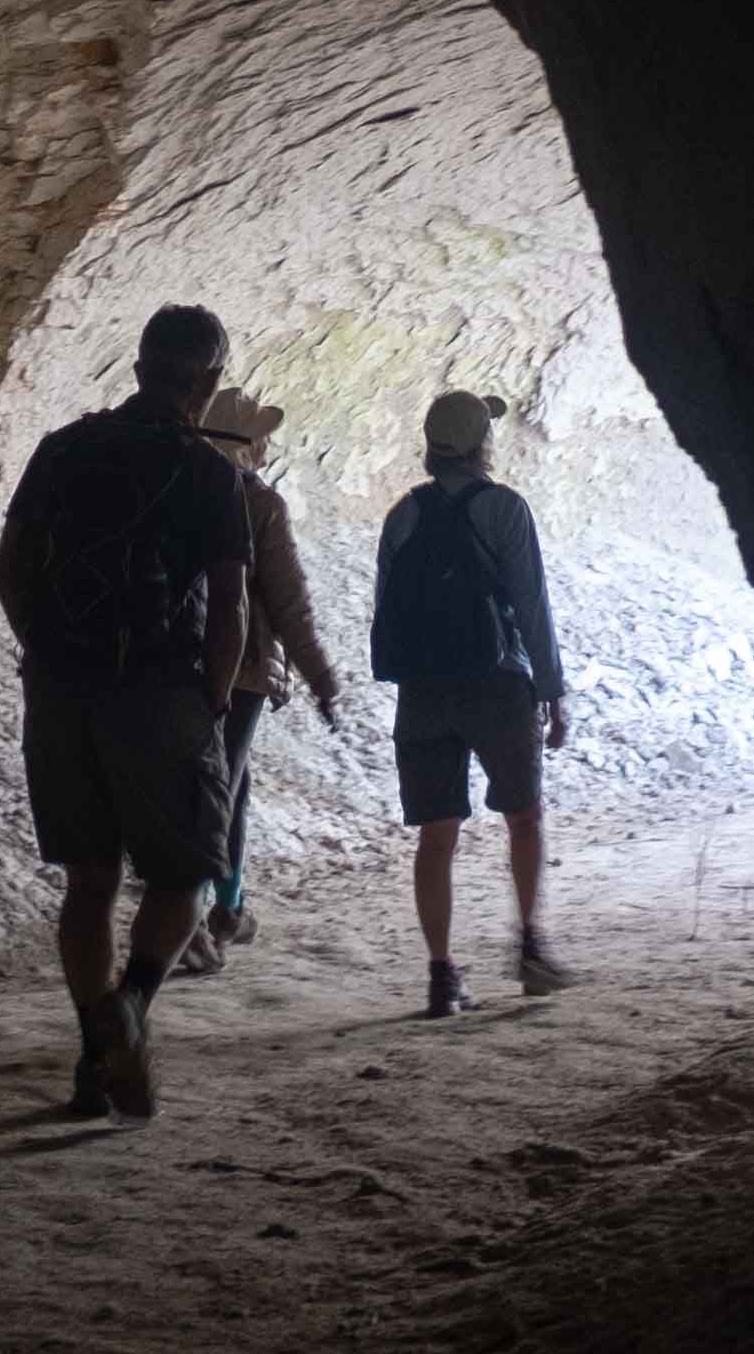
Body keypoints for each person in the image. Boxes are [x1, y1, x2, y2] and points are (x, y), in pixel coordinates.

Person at [0, 303, 253, 1120]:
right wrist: (210, 698)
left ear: (136, 369)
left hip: (62, 689)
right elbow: (230, 610)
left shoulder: (63, 451)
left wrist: (47, 654)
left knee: (90, 880)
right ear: (207, 384)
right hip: (159, 693)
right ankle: (130, 1009)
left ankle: (91, 1057)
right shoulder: (211, 474)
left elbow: (8, 572)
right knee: (184, 873)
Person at [368, 387, 575, 1017]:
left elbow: (384, 609)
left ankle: (441, 974)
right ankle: (531, 947)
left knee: (437, 835)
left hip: (424, 694)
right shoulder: (505, 510)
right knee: (524, 815)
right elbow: (532, 607)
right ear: (483, 444)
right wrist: (552, 690)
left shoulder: (403, 515)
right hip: (497, 685)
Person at [161, 384, 343, 977]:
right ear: (239, 442)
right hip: (237, 671)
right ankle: (197, 924)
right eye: (262, 432)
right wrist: (320, 675)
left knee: (209, 790)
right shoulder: (259, 504)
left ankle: (225, 909)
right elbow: (288, 602)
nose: (268, 442)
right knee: (219, 794)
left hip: (167, 664)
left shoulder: (168, 487)